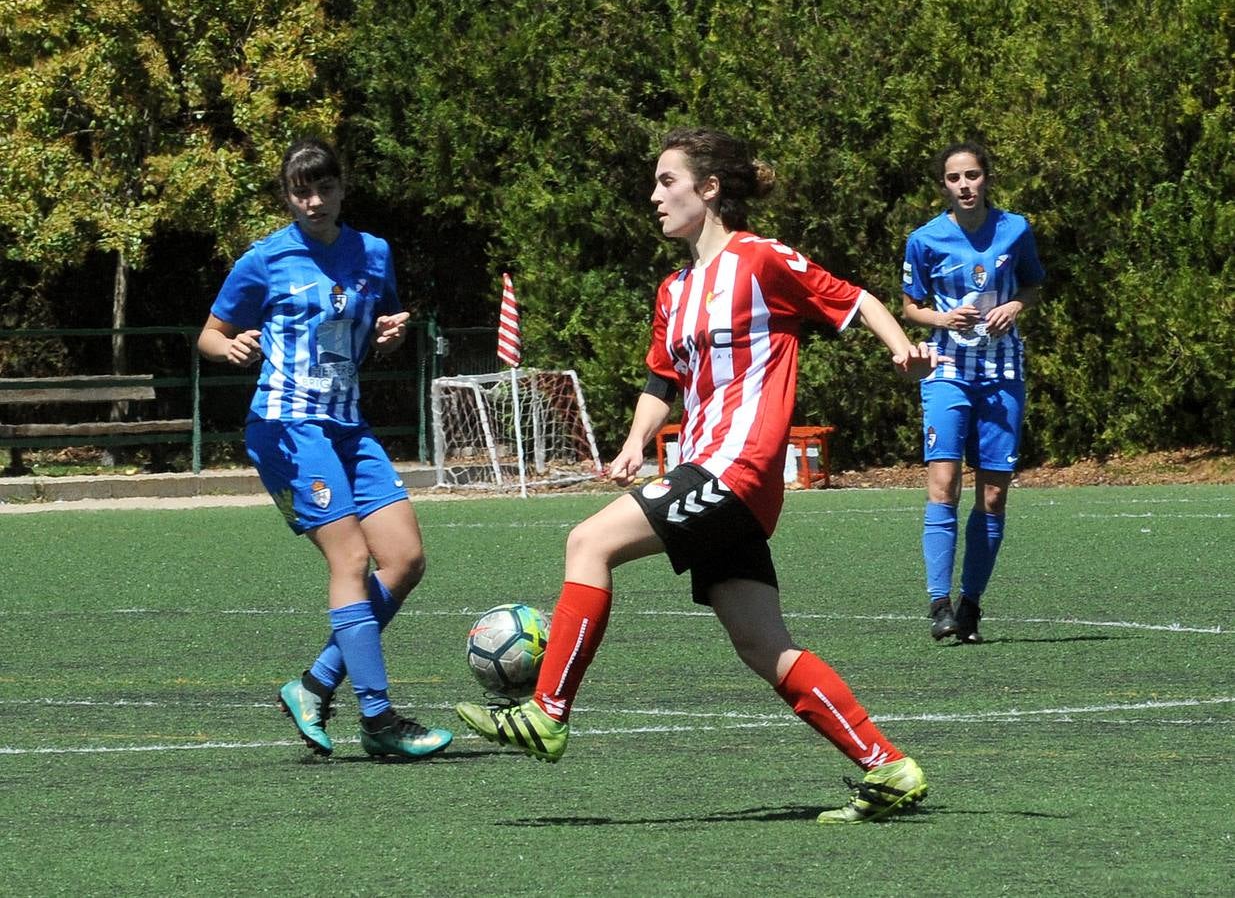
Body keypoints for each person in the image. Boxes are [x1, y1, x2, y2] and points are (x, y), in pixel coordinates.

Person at [457, 127, 942, 824]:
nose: (653, 196)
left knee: (587, 544)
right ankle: (888, 767)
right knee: (760, 643)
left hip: (734, 469)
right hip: (704, 468)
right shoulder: (674, 289)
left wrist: (901, 350)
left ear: (707, 188)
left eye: (666, 181)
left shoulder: (759, 259)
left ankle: (548, 712)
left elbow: (854, 299)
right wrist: (631, 444)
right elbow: (664, 380)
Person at [198, 138, 452, 760]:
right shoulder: (265, 259)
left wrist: (389, 337)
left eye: (325, 187)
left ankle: (313, 685)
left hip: (347, 425)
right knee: (352, 560)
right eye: (300, 191)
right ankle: (378, 718)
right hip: (287, 427)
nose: (314, 201)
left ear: (342, 188)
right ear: (287, 196)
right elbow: (210, 333)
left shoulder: (374, 254)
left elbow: (371, 334)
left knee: (406, 558)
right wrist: (226, 348)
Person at [901, 141, 1045, 644]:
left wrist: (1016, 308)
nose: (965, 185)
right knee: (943, 485)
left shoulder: (1016, 229)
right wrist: (941, 318)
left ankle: (970, 606)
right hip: (946, 371)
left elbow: (1031, 286)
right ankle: (938, 604)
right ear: (944, 185)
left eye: (973, 176)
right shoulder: (924, 239)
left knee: (992, 493)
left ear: (987, 178)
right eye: (955, 178)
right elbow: (909, 306)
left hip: (1002, 372)